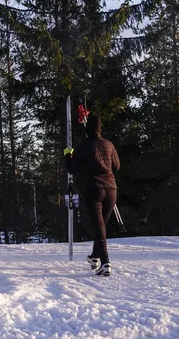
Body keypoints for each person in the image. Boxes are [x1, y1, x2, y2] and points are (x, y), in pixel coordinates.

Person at [64, 115, 120, 276]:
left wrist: (68, 155)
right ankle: (95, 257)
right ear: (100, 129)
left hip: (94, 189)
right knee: (101, 227)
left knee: (99, 227)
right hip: (111, 190)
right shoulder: (109, 144)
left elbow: (72, 169)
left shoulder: (84, 145)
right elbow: (117, 166)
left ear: (88, 129)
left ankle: (106, 263)